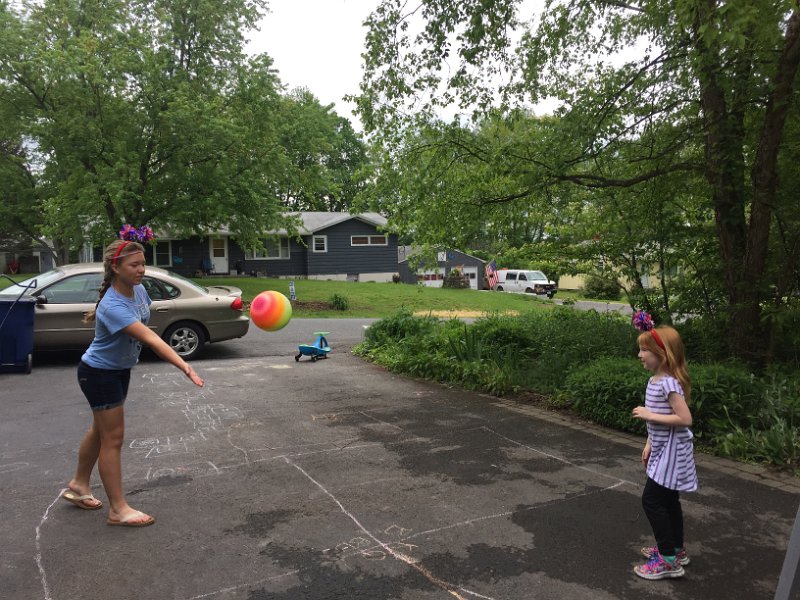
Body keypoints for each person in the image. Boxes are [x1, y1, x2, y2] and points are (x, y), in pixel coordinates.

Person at [62, 238, 204, 527]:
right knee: (113, 439)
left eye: (143, 263)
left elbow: (144, 319)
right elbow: (150, 337)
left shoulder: (138, 289)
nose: (141, 270)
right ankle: (118, 509)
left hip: (116, 370)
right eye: (134, 265)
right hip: (100, 374)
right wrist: (183, 365)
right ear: (116, 267)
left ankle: (79, 484)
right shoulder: (112, 305)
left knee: (100, 431)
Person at [630, 311, 698, 580]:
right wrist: (649, 443)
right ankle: (676, 550)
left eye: (645, 350)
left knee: (652, 500)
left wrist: (649, 414)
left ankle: (668, 559)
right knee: (668, 500)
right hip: (662, 448)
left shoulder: (668, 383)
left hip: (673, 450)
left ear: (662, 353)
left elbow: (684, 419)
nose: (640, 355)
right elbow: (659, 419)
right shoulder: (655, 380)